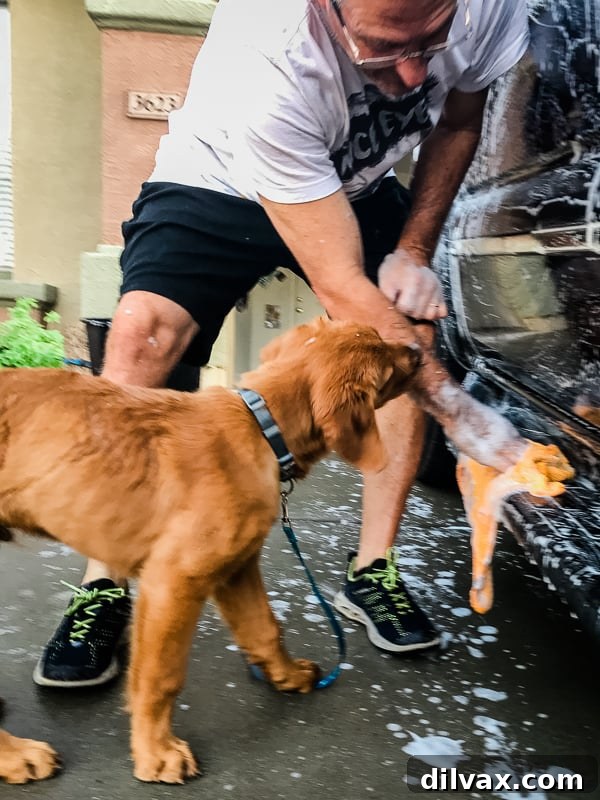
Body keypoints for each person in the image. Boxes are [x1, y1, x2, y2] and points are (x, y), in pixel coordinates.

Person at [33, 0, 530, 687]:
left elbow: (459, 121)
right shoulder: (270, 58)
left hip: (359, 183)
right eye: (386, 51)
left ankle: (373, 568)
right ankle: (104, 582)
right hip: (217, 177)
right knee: (142, 335)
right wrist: (465, 418)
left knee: (406, 333)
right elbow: (343, 288)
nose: (417, 73)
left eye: (434, 40)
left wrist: (413, 251)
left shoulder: (488, 7)